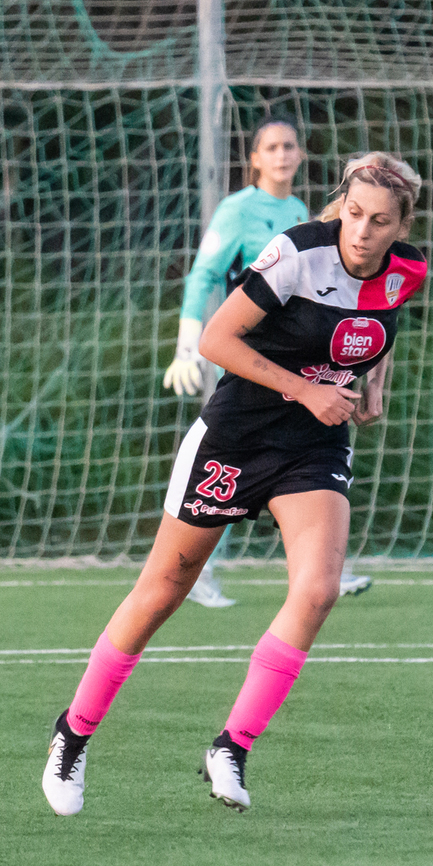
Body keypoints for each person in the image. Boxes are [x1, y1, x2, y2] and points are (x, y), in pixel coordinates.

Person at [44, 153, 426, 816]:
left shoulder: (407, 271)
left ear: (402, 226)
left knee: (318, 589)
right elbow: (217, 339)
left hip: (312, 446)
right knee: (163, 590)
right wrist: (305, 388)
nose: (363, 231)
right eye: (355, 213)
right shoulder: (296, 253)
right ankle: (71, 736)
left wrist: (372, 387)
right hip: (236, 435)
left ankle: (232, 747)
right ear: (342, 205)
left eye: (380, 221)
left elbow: (379, 329)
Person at [164, 117, 372, 606]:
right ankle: (196, 568)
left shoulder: (300, 212)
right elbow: (204, 274)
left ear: (300, 155)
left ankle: (322, 566)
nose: (282, 155)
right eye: (271, 147)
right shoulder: (237, 211)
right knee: (232, 462)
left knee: (307, 455)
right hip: (247, 361)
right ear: (255, 159)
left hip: (301, 362)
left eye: (289, 146)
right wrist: (186, 344)